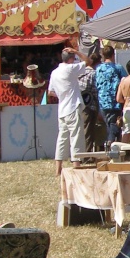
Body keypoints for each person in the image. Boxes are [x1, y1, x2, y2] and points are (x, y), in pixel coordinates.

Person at [48, 46, 89, 175]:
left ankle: (58, 168)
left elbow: (50, 92)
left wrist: (62, 94)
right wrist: (76, 51)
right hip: (72, 106)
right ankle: (76, 164)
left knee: (62, 138)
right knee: (76, 137)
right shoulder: (70, 69)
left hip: (62, 108)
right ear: (71, 59)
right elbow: (88, 62)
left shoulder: (54, 72)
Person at [95, 45, 126, 148]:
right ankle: (110, 143)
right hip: (115, 101)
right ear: (113, 55)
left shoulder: (98, 68)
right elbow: (125, 82)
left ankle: (114, 147)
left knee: (109, 124)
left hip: (102, 101)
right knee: (115, 124)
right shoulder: (118, 68)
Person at [78, 51, 102, 152]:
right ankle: (87, 154)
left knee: (81, 129)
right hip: (90, 105)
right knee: (88, 130)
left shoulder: (80, 72)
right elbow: (95, 92)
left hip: (79, 103)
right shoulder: (94, 74)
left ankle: (79, 151)